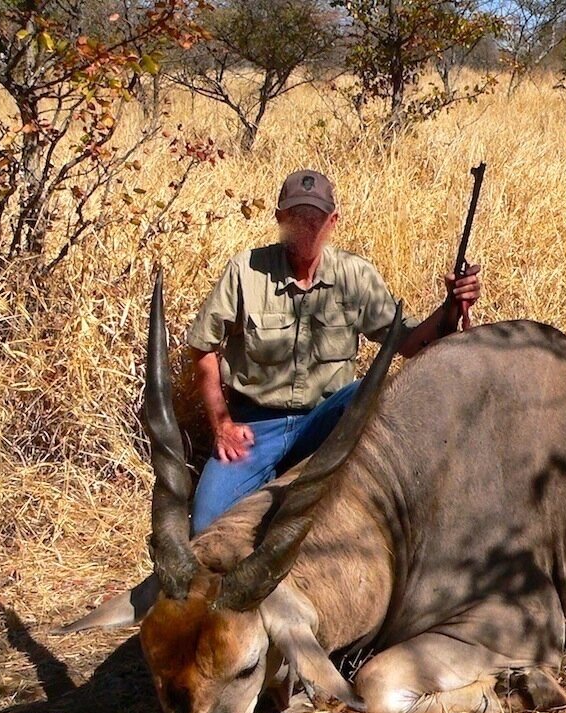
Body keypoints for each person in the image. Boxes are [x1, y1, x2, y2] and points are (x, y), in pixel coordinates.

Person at [185, 169, 481, 534]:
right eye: (298, 217)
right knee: (205, 526)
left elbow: (406, 342)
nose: (308, 227)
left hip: (325, 425)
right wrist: (222, 424)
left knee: (364, 393)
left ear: (333, 221)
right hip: (255, 428)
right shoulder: (245, 271)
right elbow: (203, 347)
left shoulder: (354, 275)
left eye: (317, 218)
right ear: (280, 218)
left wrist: (450, 306)